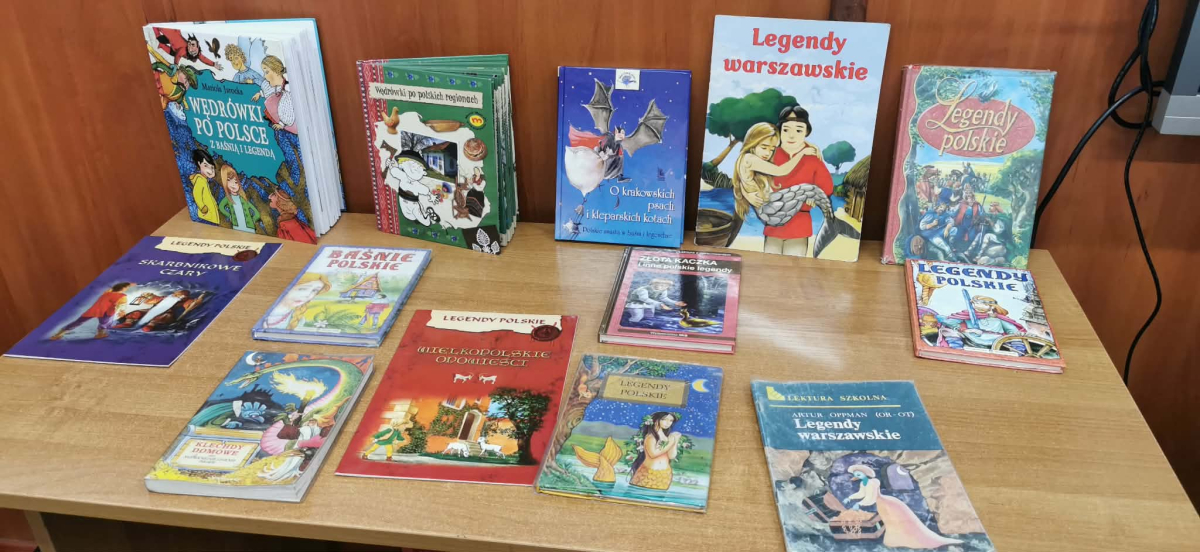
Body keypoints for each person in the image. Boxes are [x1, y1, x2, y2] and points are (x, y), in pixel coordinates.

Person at [725, 122, 808, 247]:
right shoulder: (749, 159)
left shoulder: (745, 158)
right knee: (805, 192)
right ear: (752, 142)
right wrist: (801, 153)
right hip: (768, 212)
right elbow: (781, 170)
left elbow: (740, 181)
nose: (768, 153)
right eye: (764, 147)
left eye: (772, 149)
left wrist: (746, 194)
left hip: (766, 210)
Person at [766, 106, 833, 257]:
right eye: (786, 130)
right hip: (773, 221)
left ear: (806, 132)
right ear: (780, 131)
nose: (791, 136)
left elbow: (827, 187)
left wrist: (813, 196)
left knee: (794, 266)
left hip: (799, 223)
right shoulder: (770, 154)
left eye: (798, 130)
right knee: (768, 264)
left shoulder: (813, 158)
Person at [844, 464, 963, 548]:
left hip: (887, 503)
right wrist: (851, 498)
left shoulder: (873, 482)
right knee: (891, 523)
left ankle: (913, 539)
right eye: (856, 474)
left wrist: (859, 504)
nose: (857, 476)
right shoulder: (864, 483)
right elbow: (862, 494)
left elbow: (871, 497)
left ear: (864, 474)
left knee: (899, 521)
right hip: (882, 504)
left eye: (858, 474)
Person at [253, 55, 301, 184]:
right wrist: (260, 94)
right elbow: (268, 93)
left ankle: (297, 179)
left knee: (296, 154)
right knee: (288, 155)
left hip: (288, 129)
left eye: (267, 71)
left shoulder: (287, 89)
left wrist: (282, 124)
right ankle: (295, 179)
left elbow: (289, 111)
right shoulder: (273, 86)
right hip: (279, 128)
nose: (265, 76)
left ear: (275, 70)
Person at [50, 282, 132, 340]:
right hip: (107, 312)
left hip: (94, 310)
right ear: (123, 288)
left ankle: (58, 335)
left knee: (78, 322)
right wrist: (122, 312)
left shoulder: (106, 293)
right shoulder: (122, 296)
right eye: (126, 288)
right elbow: (122, 305)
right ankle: (100, 334)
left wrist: (125, 285)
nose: (127, 289)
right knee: (104, 324)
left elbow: (112, 290)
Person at [629, 412, 683, 491]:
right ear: (656, 420)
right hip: (649, 472)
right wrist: (671, 442)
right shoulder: (651, 437)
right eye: (664, 419)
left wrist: (675, 441)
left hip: (665, 474)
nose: (668, 423)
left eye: (671, 420)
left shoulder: (667, 437)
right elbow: (653, 454)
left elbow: (671, 456)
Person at [385, 152, 439, 227]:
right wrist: (390, 165)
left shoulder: (417, 185)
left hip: (414, 205)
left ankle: (429, 217)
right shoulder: (403, 176)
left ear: (423, 173)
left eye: (418, 168)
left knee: (425, 222)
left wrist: (432, 196)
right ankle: (426, 214)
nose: (414, 169)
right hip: (404, 203)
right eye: (411, 165)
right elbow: (394, 171)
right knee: (408, 215)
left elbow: (426, 190)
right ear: (402, 165)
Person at [262, 273, 330, 330]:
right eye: (302, 289)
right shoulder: (263, 310)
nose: (307, 295)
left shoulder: (298, 318)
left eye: (314, 290)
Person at [217, 165, 262, 234]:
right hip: (236, 227)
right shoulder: (228, 199)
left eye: (236, 182)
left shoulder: (243, 199)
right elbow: (221, 206)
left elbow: (257, 214)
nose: (233, 184)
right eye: (228, 180)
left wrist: (252, 220)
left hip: (249, 228)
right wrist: (229, 215)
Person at [153, 27, 222, 69]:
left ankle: (161, 45)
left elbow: (204, 59)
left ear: (198, 46)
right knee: (159, 38)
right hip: (170, 33)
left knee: (172, 52)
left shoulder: (197, 53)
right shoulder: (184, 50)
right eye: (190, 45)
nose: (191, 48)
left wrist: (213, 64)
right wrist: (176, 64)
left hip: (175, 40)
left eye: (193, 45)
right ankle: (160, 42)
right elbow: (178, 55)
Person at [189, 149, 220, 224]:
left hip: (211, 216)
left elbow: (207, 196)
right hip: (207, 217)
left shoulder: (205, 181)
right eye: (205, 165)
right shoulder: (200, 180)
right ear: (199, 164)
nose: (210, 170)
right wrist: (202, 207)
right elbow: (196, 194)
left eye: (212, 167)